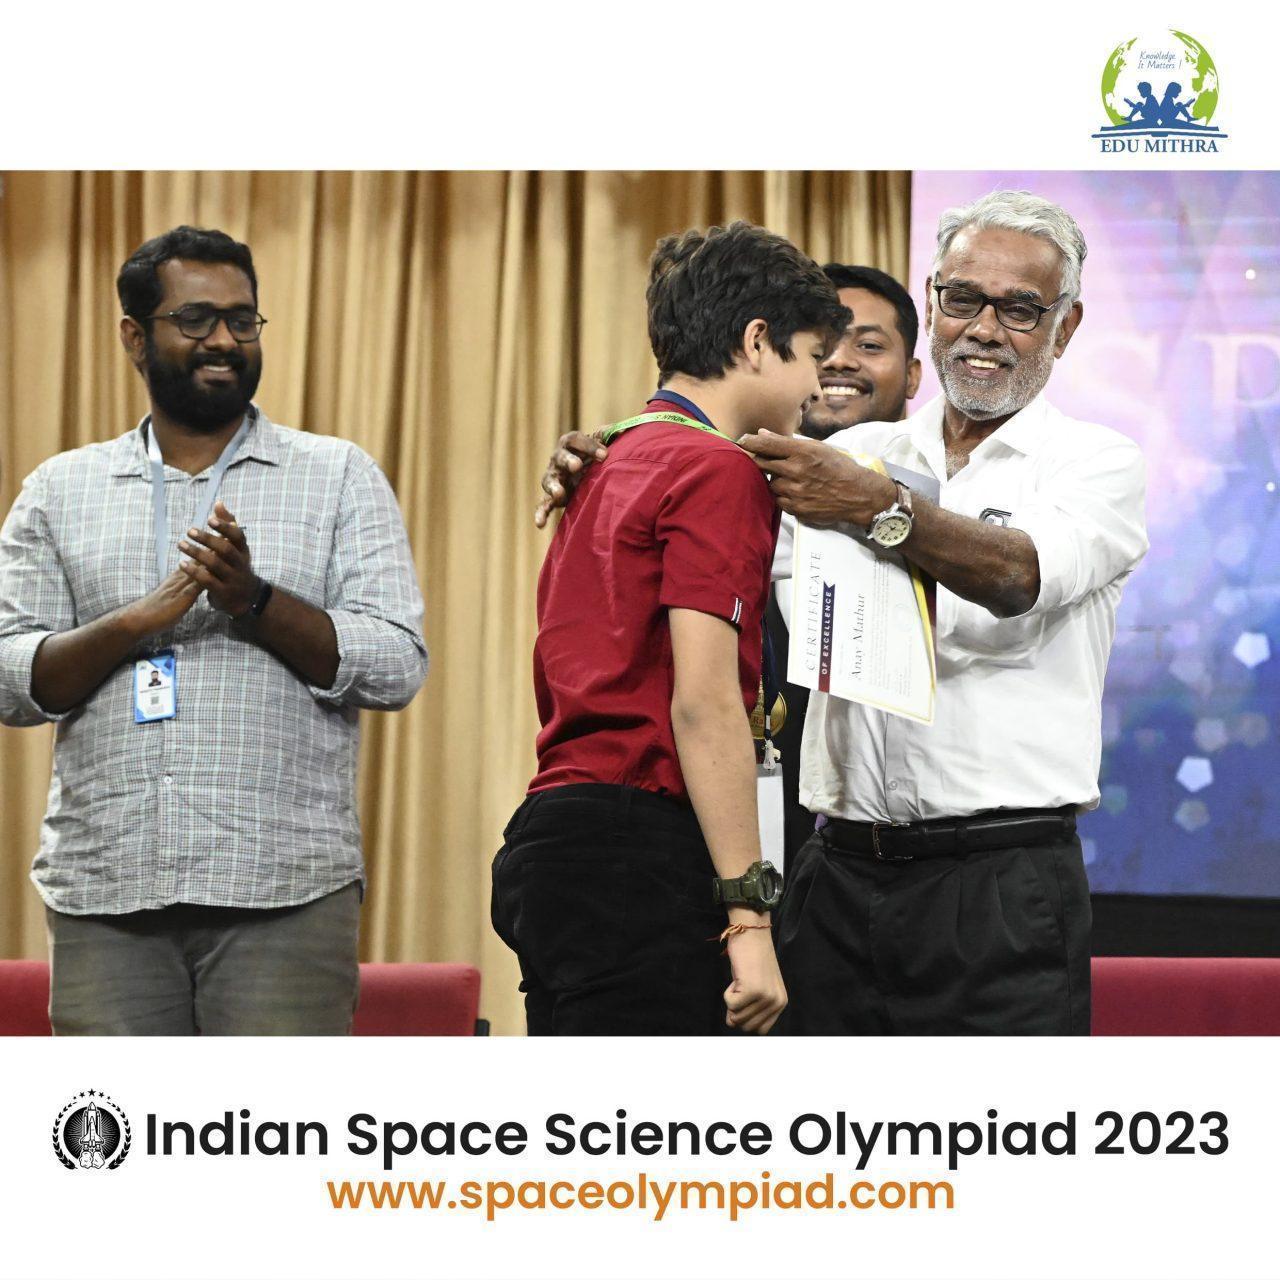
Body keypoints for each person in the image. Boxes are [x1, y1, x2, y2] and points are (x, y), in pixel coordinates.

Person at [536, 191, 1148, 1035]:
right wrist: (607, 450)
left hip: (1000, 883)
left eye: (1018, 309)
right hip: (837, 876)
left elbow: (1019, 576)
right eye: (962, 298)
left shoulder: (1095, 462)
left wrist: (880, 509)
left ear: (1065, 325)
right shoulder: (850, 453)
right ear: (932, 298)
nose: (983, 329)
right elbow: (692, 488)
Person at [0, 226, 428, 1036]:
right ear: (135, 337)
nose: (224, 340)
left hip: (284, 892)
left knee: (271, 1120)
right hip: (108, 893)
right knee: (119, 1124)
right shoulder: (60, 490)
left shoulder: (337, 476)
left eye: (242, 319)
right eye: (195, 320)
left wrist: (255, 602)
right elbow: (8, 675)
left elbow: (396, 663)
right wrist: (133, 623)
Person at [494, 221, 849, 1035]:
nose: (814, 388)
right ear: (757, 342)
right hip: (639, 850)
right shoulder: (719, 468)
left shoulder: (605, 457)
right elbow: (705, 701)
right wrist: (749, 920)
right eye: (810, 358)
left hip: (552, 838)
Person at [768, 264, 921, 864]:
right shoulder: (730, 485)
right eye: (821, 343)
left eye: (870, 345)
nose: (839, 361)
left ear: (913, 375)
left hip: (911, 853)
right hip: (761, 843)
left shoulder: (957, 507)